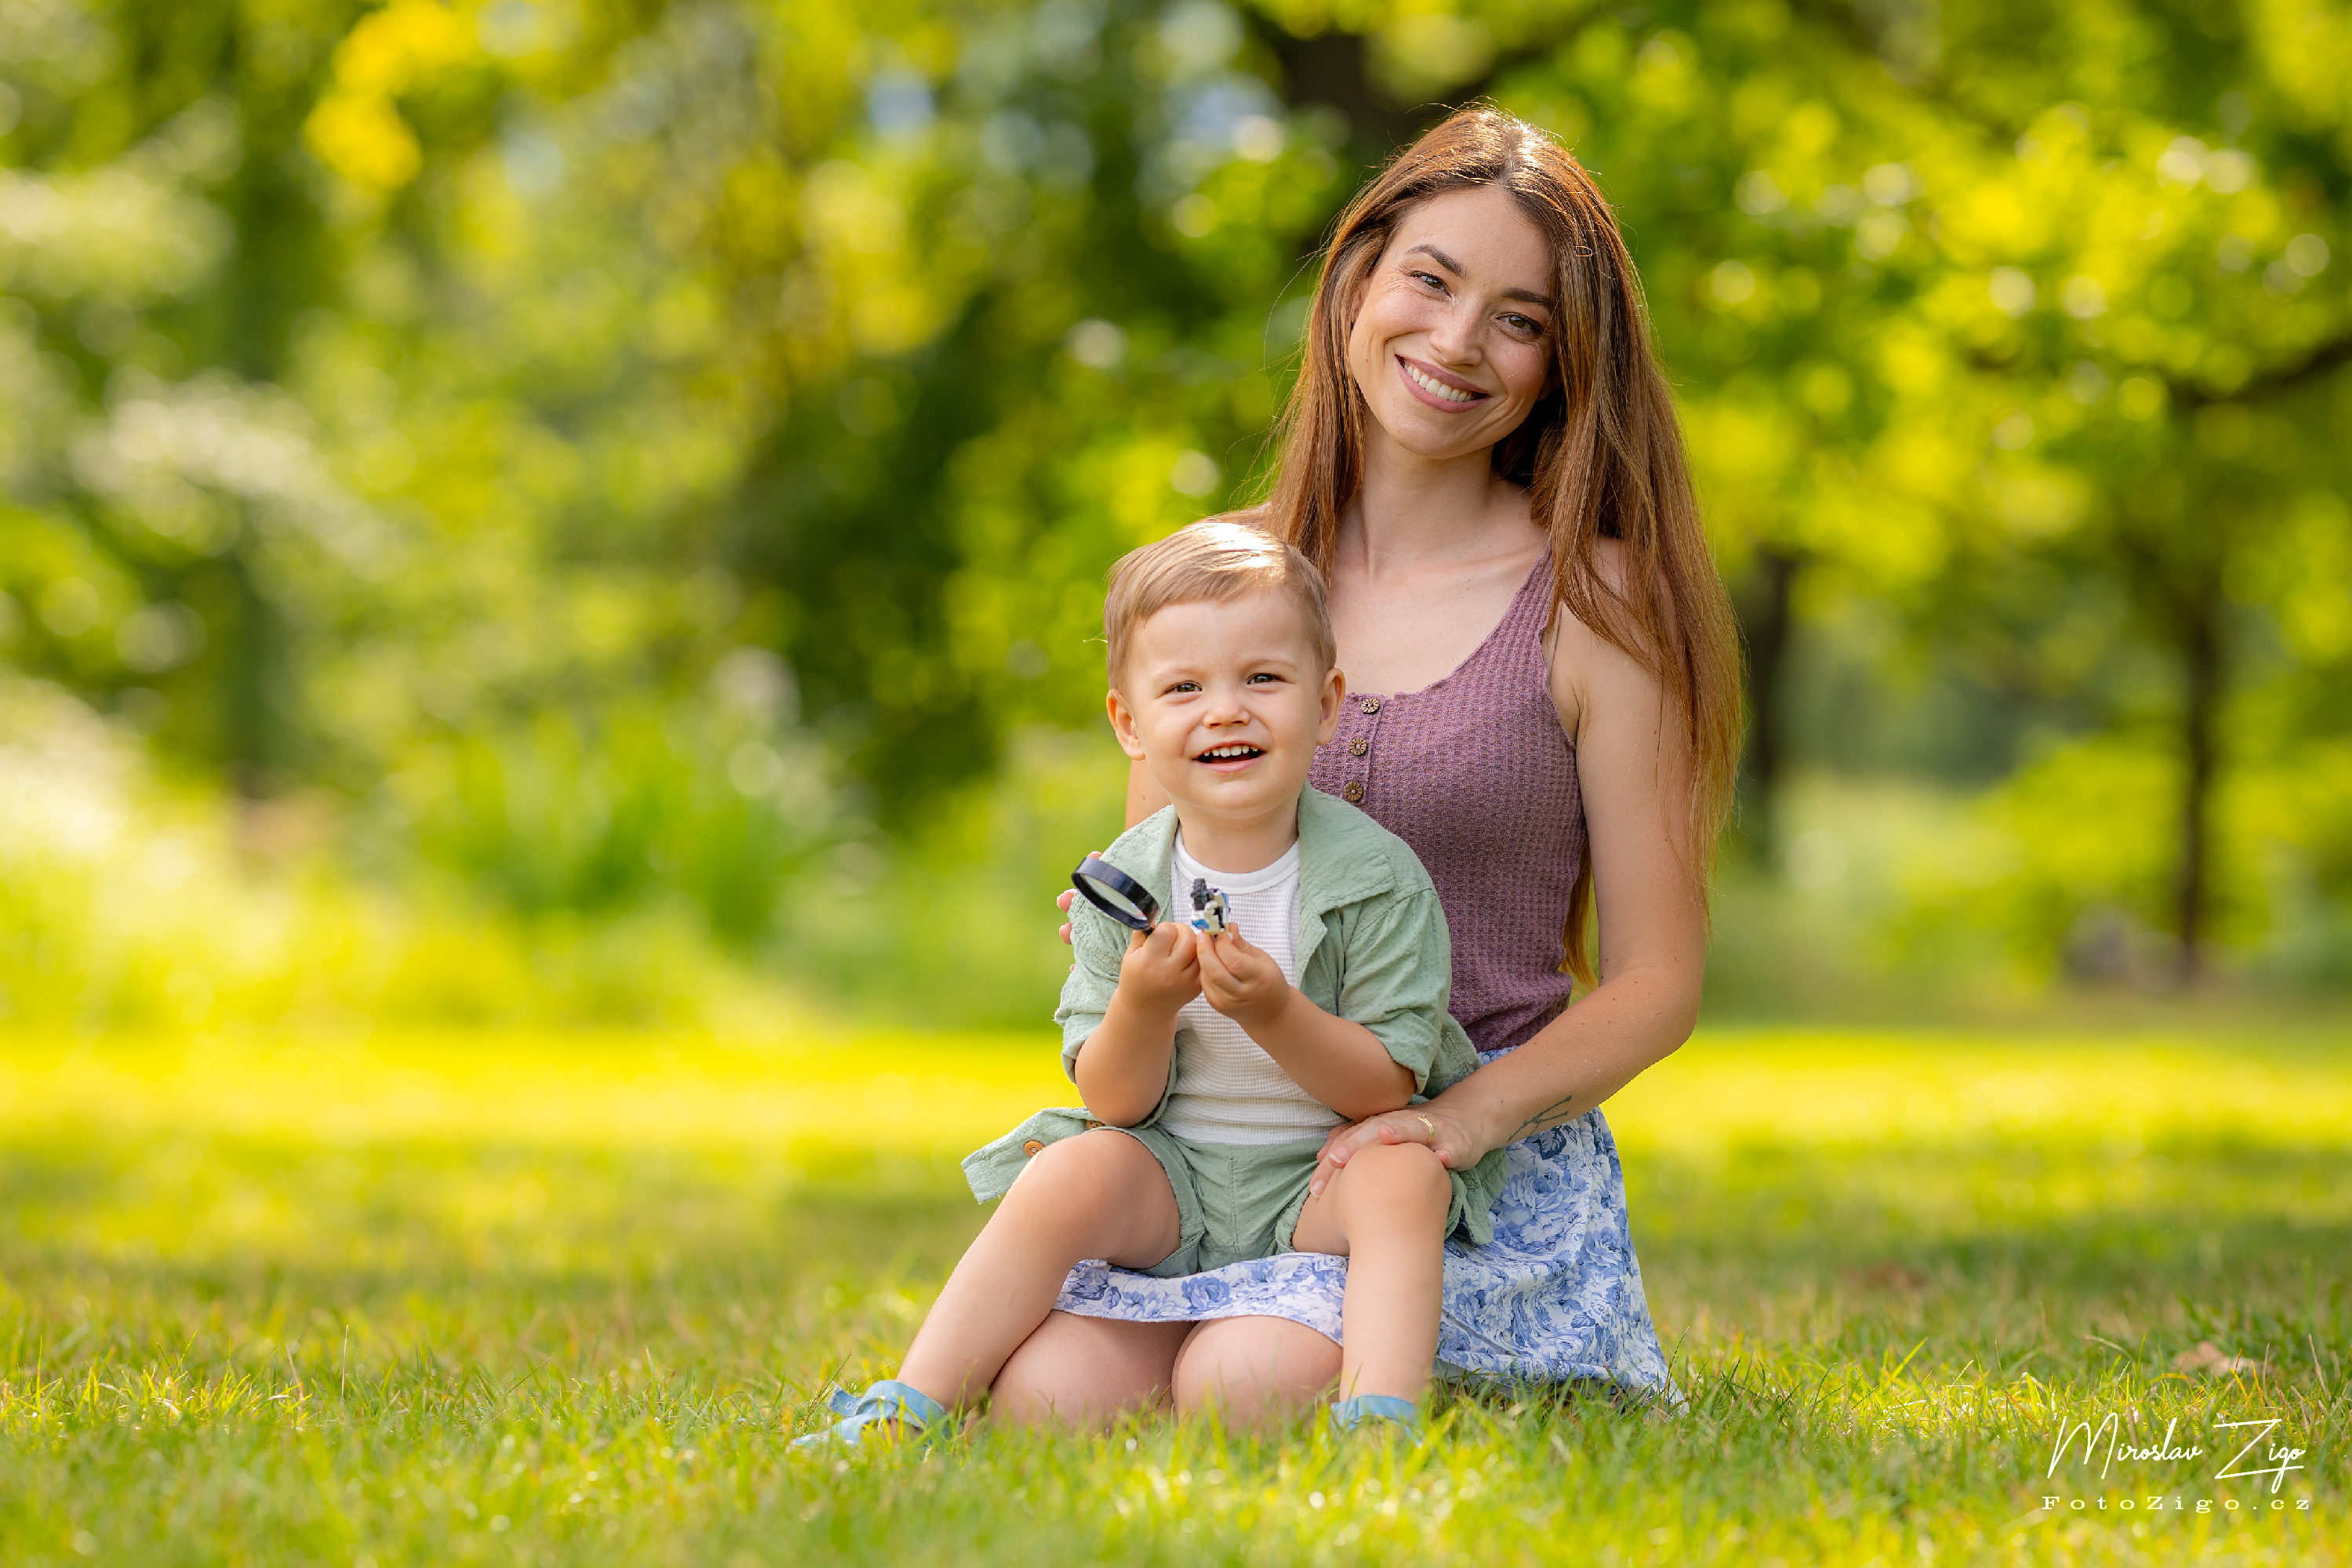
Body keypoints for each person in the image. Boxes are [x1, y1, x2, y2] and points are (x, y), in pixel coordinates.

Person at [990, 107, 1743, 1428]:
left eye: (1518, 320)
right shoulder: (1214, 583)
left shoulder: (1597, 606)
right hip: (1220, 1151)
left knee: (1241, 1387)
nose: (1456, 343)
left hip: (1443, 1168)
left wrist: (1456, 1126)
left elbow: (1659, 984)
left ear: (1563, 367)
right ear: (1356, 279)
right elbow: (1160, 890)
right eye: (1431, 281)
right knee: (1050, 1398)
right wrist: (1134, 962)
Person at [799, 522, 1507, 1446]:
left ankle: (1381, 1415)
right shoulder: (1119, 885)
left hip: (1314, 1188)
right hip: (1170, 1183)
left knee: (1399, 1179)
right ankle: (909, 1404)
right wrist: (1142, 1005)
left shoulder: (1376, 878)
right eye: (1184, 688)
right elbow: (1113, 1100)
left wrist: (1274, 1011)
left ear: (1326, 704)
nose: (1226, 711)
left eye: (1263, 678)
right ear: (1130, 724)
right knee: (1045, 1374)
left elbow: (1386, 1087)